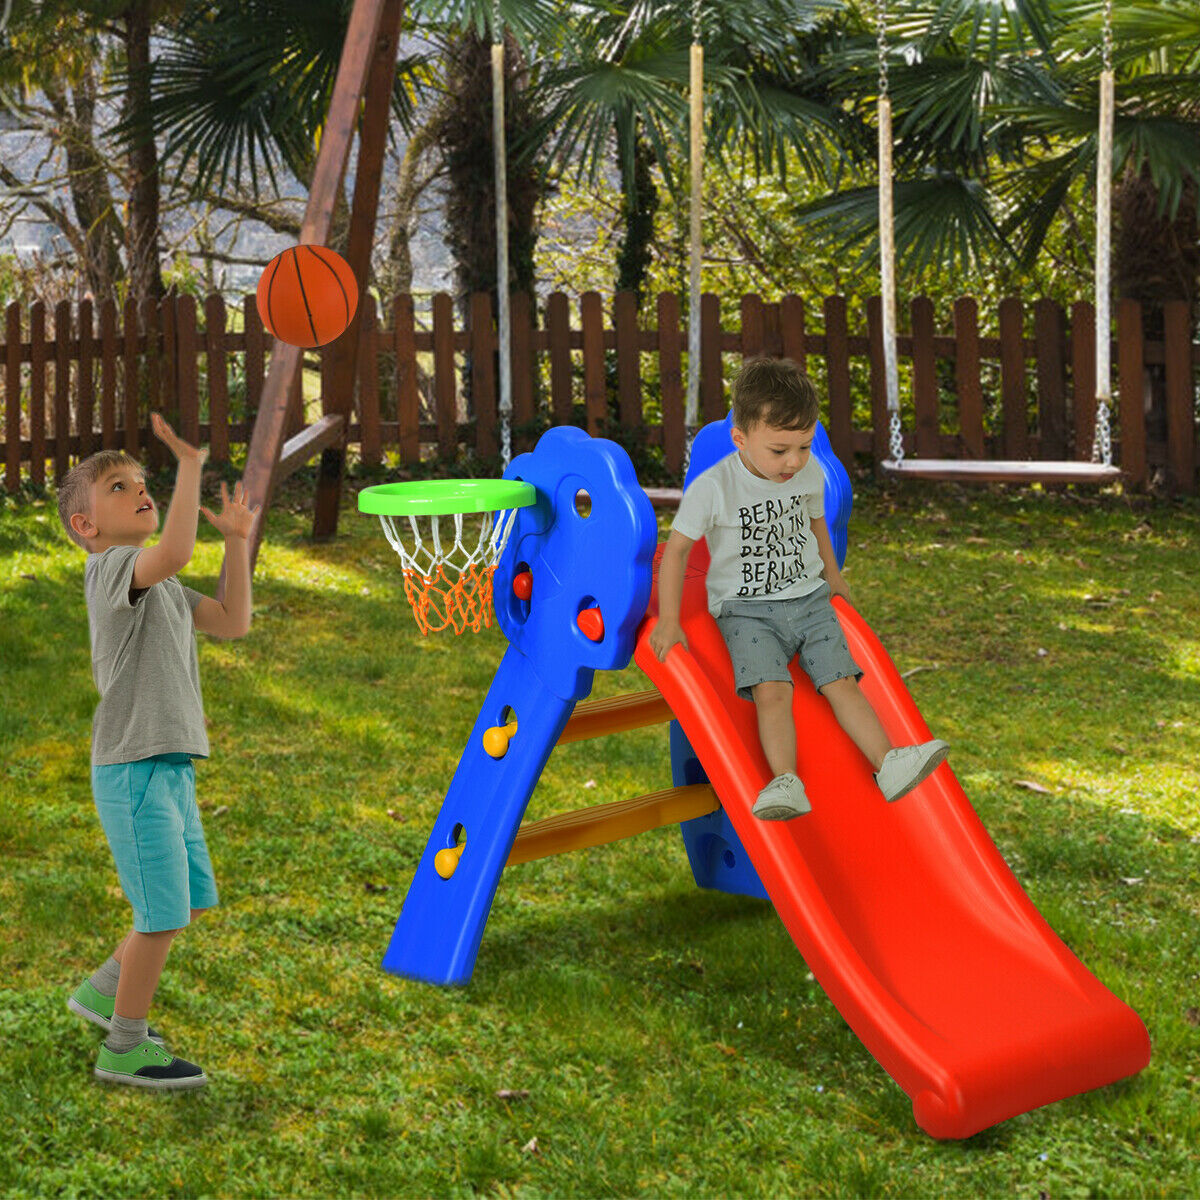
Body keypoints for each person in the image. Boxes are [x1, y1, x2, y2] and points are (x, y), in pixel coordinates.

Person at [648, 358, 948, 820]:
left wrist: (833, 574)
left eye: (804, 446)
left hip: (807, 599)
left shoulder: (806, 473)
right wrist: (669, 619)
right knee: (772, 690)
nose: (793, 461)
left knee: (841, 682)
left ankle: (889, 763)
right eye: (779, 449)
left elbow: (816, 524)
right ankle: (785, 781)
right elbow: (677, 552)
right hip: (746, 610)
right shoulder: (714, 488)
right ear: (740, 439)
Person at [56, 412, 259, 1088]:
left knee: (191, 901)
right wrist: (191, 466)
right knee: (161, 915)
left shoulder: (161, 586)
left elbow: (232, 622)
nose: (140, 490)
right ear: (87, 527)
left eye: (144, 482)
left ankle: (101, 991)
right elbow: (172, 551)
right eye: (119, 487)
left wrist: (235, 543)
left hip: (168, 766)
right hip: (133, 767)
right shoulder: (113, 570)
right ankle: (125, 1045)